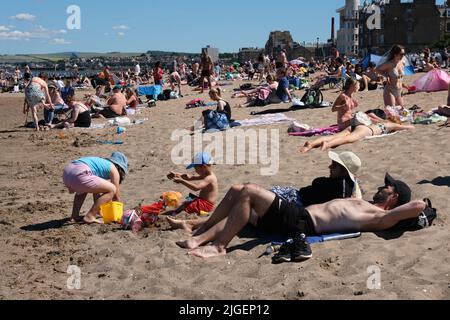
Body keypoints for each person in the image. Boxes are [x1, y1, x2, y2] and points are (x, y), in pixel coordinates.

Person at [170, 173, 426, 259]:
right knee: (238, 193)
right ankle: (200, 236)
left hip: (302, 222)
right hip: (296, 218)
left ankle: (219, 246)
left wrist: (426, 203)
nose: (382, 187)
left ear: (393, 199)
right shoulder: (364, 202)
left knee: (248, 190)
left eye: (387, 187)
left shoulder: (380, 216)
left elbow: (415, 206)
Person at [168, 151, 362, 233]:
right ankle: (193, 224)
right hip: (292, 198)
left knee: (242, 201)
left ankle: (194, 225)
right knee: (241, 199)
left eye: (334, 166)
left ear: (344, 170)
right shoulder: (344, 184)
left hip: (294, 205)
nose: (330, 167)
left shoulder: (340, 187)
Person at [63, 152, 129, 224]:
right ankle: (90, 216)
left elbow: (96, 193)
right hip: (80, 173)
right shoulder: (113, 169)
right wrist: (120, 214)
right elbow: (116, 196)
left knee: (82, 189)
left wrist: (99, 211)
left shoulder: (100, 164)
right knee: (112, 189)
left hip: (67, 173)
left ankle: (74, 216)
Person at [300, 120, 415, 153]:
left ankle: (311, 144)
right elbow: (410, 127)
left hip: (358, 126)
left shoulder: (381, 121)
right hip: (367, 130)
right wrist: (399, 125)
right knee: (347, 139)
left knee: (335, 135)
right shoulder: (390, 124)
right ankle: (328, 145)